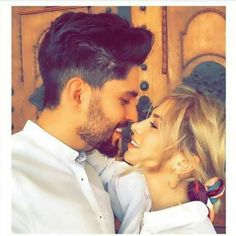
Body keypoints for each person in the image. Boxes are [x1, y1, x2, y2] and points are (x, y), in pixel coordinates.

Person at [12, 11, 153, 233]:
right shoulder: (12, 179)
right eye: (124, 100)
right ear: (79, 94)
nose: (133, 116)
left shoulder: (92, 165)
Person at [108, 85, 225, 233]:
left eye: (154, 125)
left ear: (184, 162)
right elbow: (99, 165)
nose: (135, 126)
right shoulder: (136, 189)